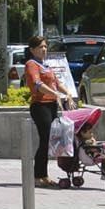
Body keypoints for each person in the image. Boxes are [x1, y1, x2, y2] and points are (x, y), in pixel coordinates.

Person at [22, 35, 69, 189]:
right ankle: (37, 176)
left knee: (50, 141)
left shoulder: (46, 65)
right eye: (40, 47)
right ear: (32, 50)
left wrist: (67, 93)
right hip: (40, 106)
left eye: (45, 47)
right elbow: (37, 84)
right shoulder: (31, 64)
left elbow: (56, 82)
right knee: (45, 140)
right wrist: (55, 94)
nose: (43, 49)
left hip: (51, 106)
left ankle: (44, 175)